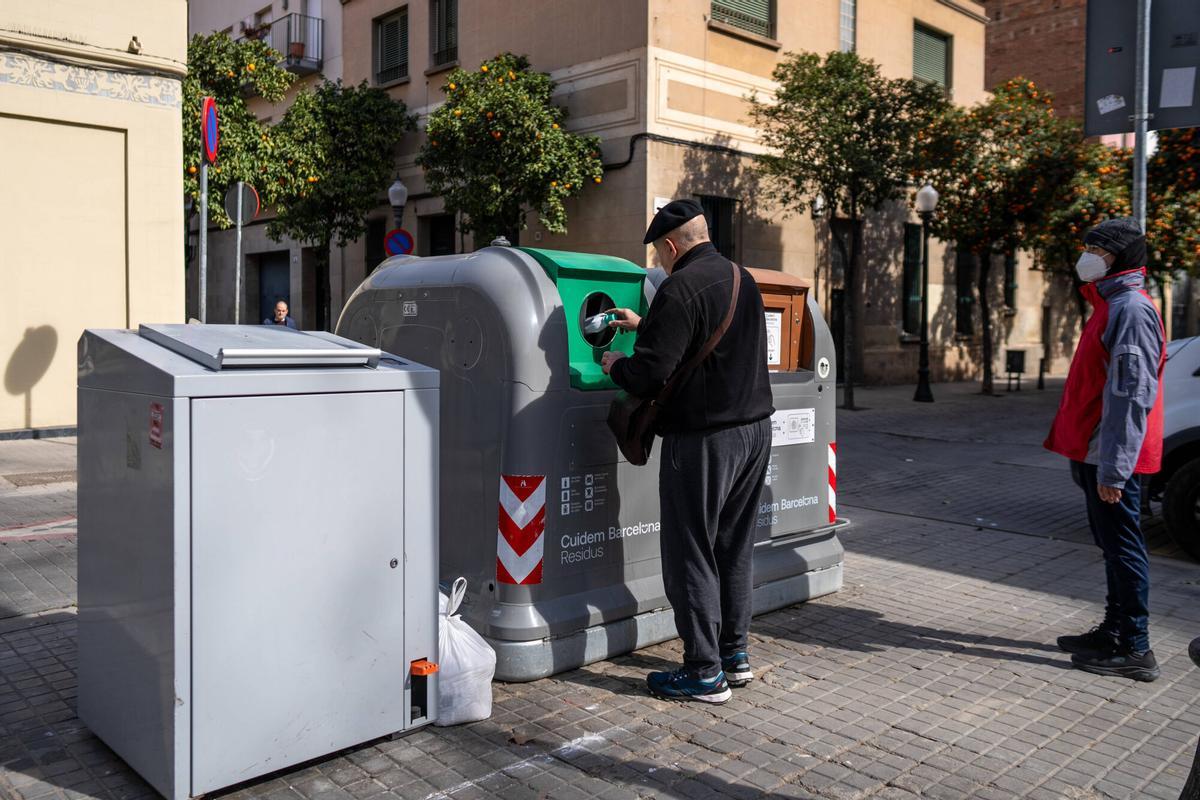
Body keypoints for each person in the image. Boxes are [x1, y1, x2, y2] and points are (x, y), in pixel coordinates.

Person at [600, 199, 774, 704]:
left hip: (704, 440)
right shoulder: (741, 278)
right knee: (733, 548)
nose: (659, 262)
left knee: (689, 551)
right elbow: (704, 341)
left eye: (659, 253)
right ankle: (733, 655)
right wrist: (644, 325)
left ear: (672, 245)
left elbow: (649, 373)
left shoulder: (680, 286)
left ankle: (703, 672)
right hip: (754, 430)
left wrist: (615, 363)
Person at [1045, 217, 1166, 682]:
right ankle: (1113, 630)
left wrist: (1114, 470)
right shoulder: (1110, 303)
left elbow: (1131, 396)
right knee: (1112, 546)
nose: (1085, 255)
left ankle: (1136, 646)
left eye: (1092, 248)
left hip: (1113, 456)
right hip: (1095, 450)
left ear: (1113, 256)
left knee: (1124, 547)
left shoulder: (1130, 309)